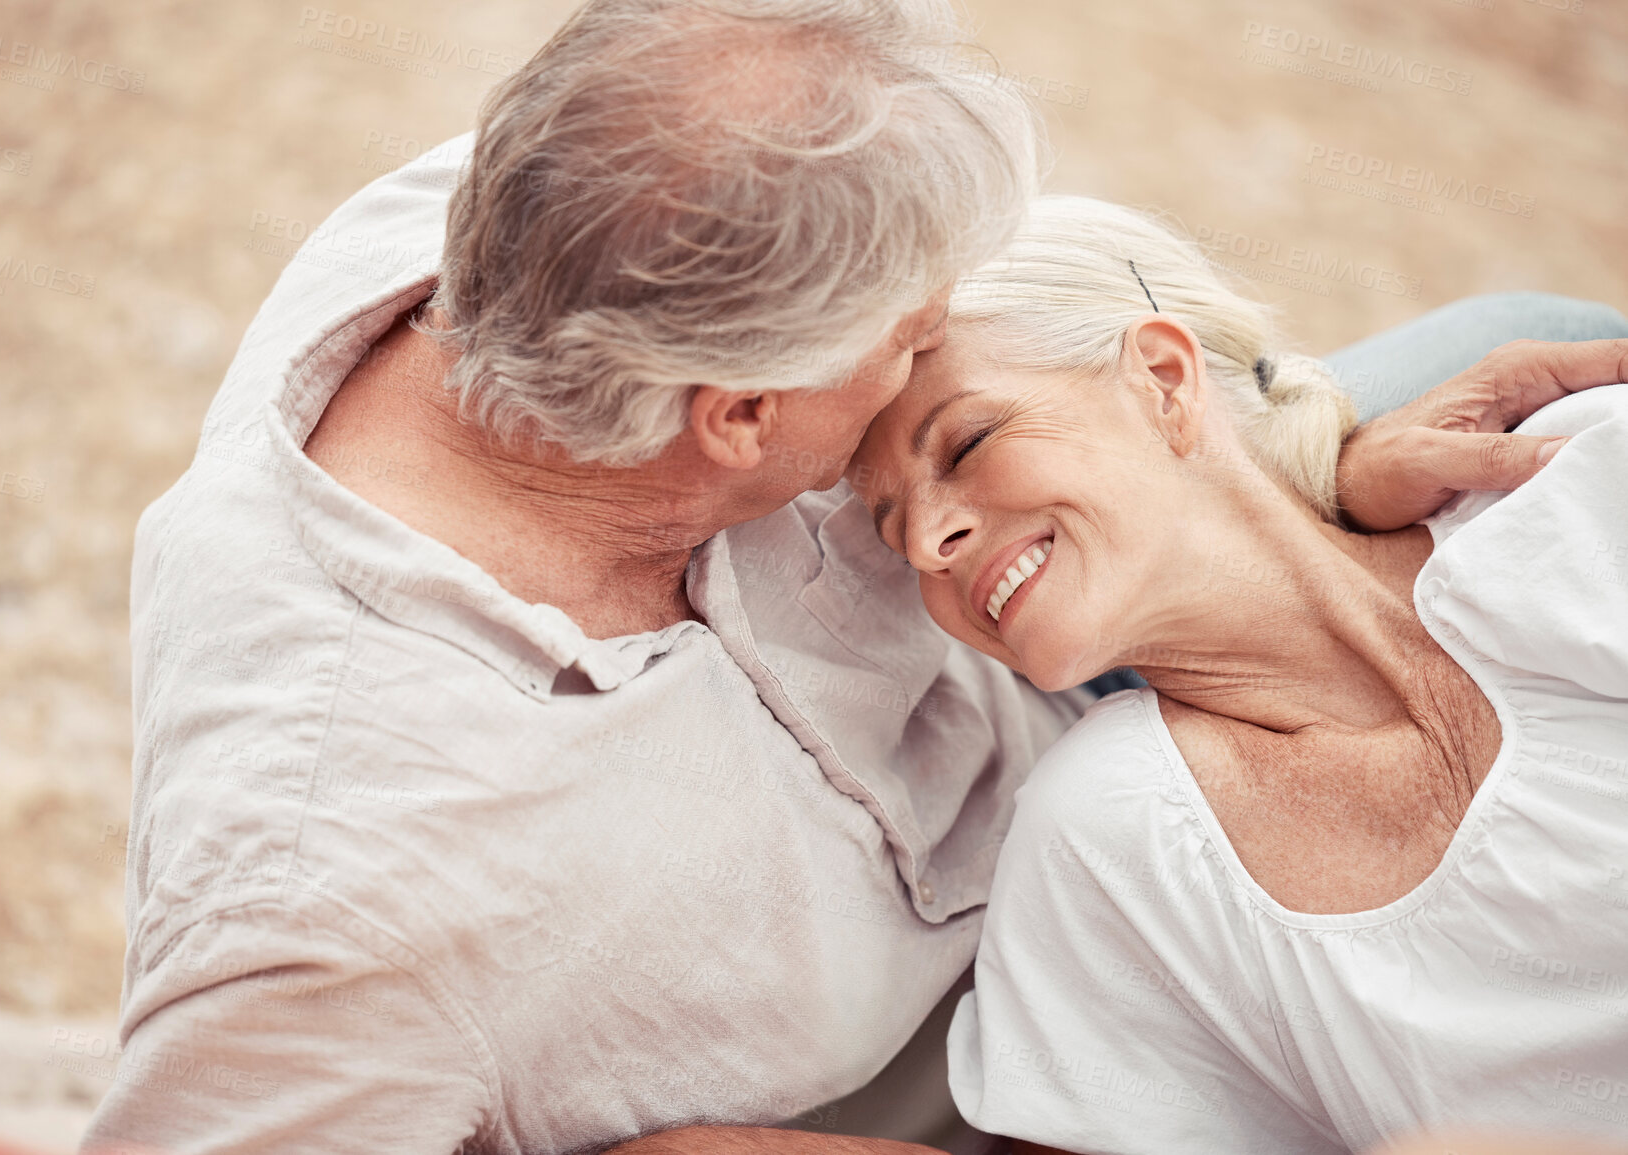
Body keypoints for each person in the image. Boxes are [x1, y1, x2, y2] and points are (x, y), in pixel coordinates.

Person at [80, 0, 1628, 1150]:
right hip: (955, 1051)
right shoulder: (335, 894)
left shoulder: (593, 191)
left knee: (1517, 338)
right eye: (902, 347)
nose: (933, 330)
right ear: (741, 416)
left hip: (1063, 622)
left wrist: (1316, 462)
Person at [846, 194, 1628, 1154]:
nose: (927, 541)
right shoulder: (1100, 838)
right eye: (891, 531)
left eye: (966, 444)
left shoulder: (1574, 485)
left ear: (1164, 381)